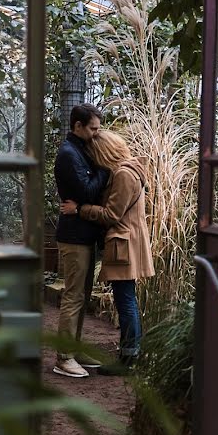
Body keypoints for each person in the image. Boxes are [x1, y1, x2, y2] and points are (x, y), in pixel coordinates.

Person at [60, 129, 154, 374]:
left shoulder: (123, 174)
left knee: (125, 301)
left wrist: (80, 209)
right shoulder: (130, 169)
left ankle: (128, 358)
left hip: (123, 243)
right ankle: (130, 354)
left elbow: (112, 214)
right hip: (128, 241)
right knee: (127, 299)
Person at [53, 103, 110, 378]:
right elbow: (86, 191)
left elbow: (86, 196)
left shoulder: (81, 151)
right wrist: (104, 170)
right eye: (93, 129)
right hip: (74, 236)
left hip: (84, 233)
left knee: (82, 296)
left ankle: (73, 349)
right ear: (78, 126)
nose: (97, 134)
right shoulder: (68, 154)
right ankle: (63, 357)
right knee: (73, 296)